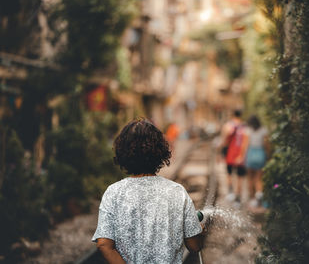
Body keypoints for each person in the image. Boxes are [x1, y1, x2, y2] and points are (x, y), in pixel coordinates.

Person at [92, 119, 205, 264]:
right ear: (160, 152)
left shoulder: (113, 192)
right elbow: (194, 246)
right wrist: (200, 231)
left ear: (122, 154)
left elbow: (103, 244)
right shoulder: (177, 192)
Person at [220, 109, 248, 205]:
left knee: (229, 174)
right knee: (240, 176)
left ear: (233, 115)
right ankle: (238, 198)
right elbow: (247, 141)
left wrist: (221, 152)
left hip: (230, 153)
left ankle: (231, 192)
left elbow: (224, 140)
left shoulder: (228, 125)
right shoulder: (245, 126)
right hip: (241, 154)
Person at [244, 115, 270, 208]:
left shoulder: (248, 130)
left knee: (250, 178)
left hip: (251, 154)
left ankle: (252, 199)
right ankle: (259, 196)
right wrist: (268, 155)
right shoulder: (264, 130)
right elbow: (267, 144)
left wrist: (243, 157)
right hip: (260, 154)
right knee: (259, 178)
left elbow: (245, 145)